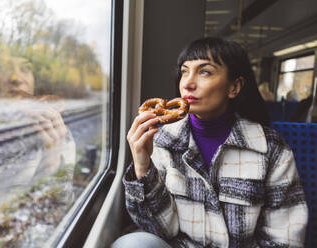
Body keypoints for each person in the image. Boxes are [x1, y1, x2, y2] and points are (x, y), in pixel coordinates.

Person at [112, 37, 308, 247]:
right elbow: (159, 230)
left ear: (234, 87)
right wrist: (142, 167)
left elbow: (286, 238)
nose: (187, 83)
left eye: (205, 72)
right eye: (185, 71)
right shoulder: (162, 140)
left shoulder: (270, 148)